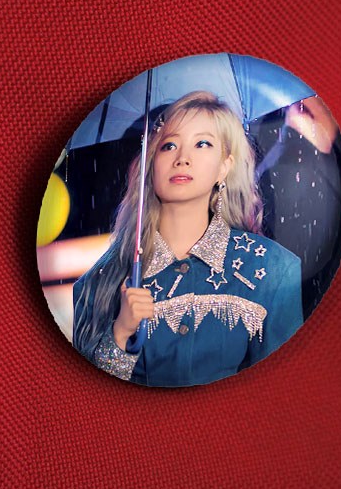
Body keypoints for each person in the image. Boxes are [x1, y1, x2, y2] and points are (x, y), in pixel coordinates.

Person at [72, 91, 302, 387]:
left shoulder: (272, 269)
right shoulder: (99, 282)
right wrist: (120, 333)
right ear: (151, 165)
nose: (182, 159)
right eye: (169, 145)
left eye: (202, 143)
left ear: (224, 166)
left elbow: (284, 388)